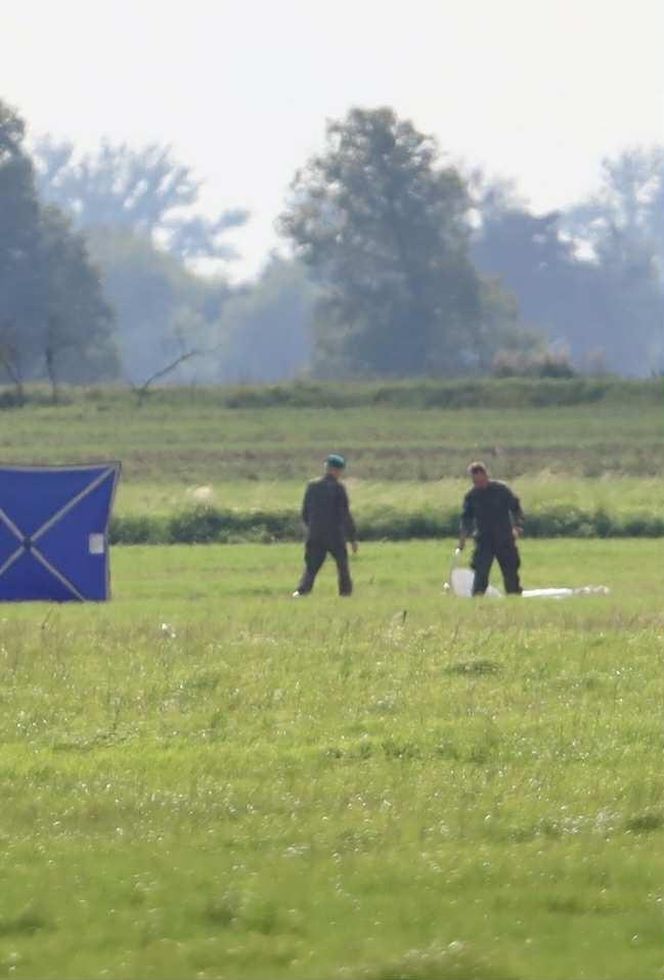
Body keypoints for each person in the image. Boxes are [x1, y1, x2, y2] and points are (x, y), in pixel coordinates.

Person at [293, 454, 358, 597]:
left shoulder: (312, 486)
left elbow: (305, 512)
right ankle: (345, 594)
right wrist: (352, 538)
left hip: (315, 534)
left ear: (326, 468)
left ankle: (301, 592)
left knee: (311, 567)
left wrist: (311, 528)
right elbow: (345, 514)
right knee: (342, 566)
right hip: (335, 535)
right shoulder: (338, 488)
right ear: (337, 470)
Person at [457, 461, 524, 596]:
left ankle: (514, 595)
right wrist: (462, 538)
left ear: (486, 475)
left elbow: (516, 508)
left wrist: (517, 526)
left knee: (510, 571)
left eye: (481, 480)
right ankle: (478, 597)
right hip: (484, 539)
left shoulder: (501, 490)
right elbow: (466, 518)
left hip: (504, 538)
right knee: (480, 572)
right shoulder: (472, 496)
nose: (479, 484)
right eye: (475, 482)